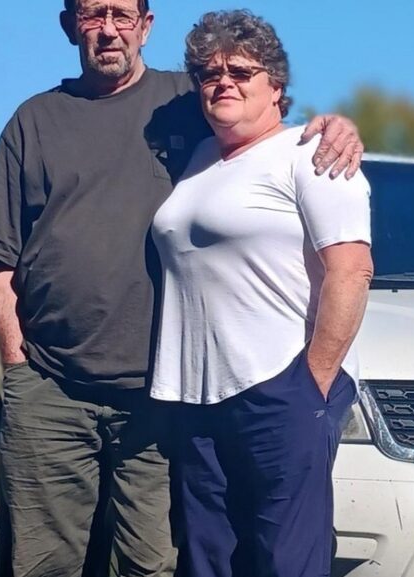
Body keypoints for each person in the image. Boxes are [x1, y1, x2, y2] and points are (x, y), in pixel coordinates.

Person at [0, 0, 364, 575]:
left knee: (156, 564)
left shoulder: (187, 102)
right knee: (43, 564)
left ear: (146, 27)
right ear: (70, 26)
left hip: (161, 398)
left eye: (122, 14)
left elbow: (269, 128)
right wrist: (16, 364)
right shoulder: (37, 120)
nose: (108, 30)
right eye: (93, 15)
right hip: (52, 385)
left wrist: (338, 126)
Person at [148, 10, 372, 577]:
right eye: (210, 73)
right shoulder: (198, 159)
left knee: (285, 561)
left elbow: (351, 271)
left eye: (241, 71)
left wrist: (312, 383)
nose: (223, 82)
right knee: (208, 559)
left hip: (278, 386)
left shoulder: (312, 153)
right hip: (195, 397)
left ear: (276, 86)